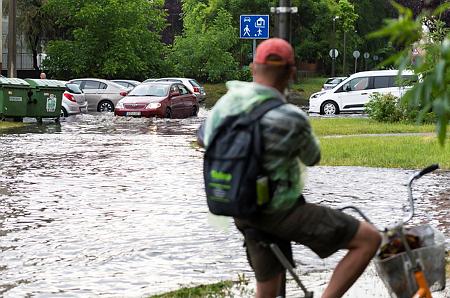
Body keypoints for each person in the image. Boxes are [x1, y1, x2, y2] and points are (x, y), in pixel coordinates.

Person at [198, 38, 381, 298]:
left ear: (253, 68)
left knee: (268, 290)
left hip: (240, 208)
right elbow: (312, 157)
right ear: (291, 73)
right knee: (368, 240)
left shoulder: (227, 104)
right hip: (279, 211)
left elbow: (203, 138)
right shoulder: (291, 117)